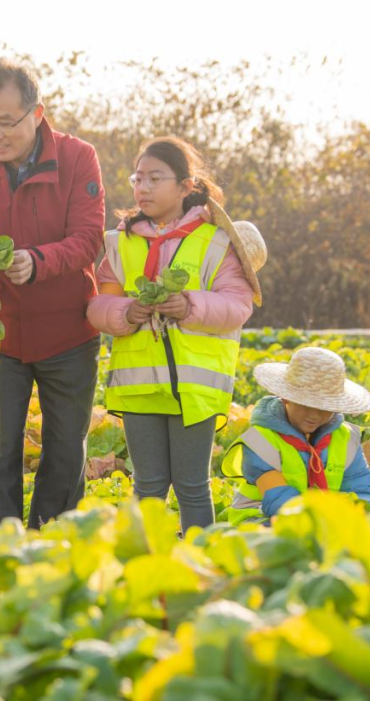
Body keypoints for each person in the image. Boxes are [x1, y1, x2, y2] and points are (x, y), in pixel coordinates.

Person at [0, 57, 105, 528]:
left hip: (69, 332)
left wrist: (39, 261)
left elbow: (89, 237)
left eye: (6, 122)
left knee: (66, 447)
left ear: (38, 113)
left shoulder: (77, 158)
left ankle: (51, 545)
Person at [88, 136, 264, 532]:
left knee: (192, 486)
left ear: (186, 185)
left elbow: (238, 305)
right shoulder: (119, 242)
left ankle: (200, 566)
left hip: (195, 389)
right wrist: (125, 312)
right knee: (147, 486)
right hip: (139, 386)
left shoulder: (218, 241)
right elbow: (98, 303)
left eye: (155, 178)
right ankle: (145, 564)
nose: (142, 188)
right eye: (138, 179)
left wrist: (190, 307)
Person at [222, 347, 370, 523]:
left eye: (324, 408)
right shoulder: (259, 440)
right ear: (285, 397)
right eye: (306, 405)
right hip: (261, 521)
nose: (315, 415)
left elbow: (364, 493)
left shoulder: (347, 437)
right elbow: (279, 501)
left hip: (327, 521)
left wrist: (351, 514)